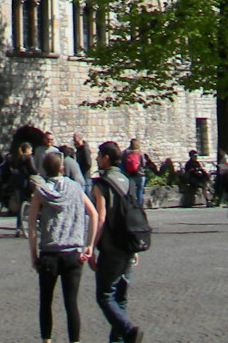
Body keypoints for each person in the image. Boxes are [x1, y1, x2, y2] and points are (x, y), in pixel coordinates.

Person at [23, 150, 99, 343]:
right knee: (71, 304)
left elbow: (31, 225)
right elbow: (94, 214)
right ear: (62, 169)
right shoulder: (75, 188)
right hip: (73, 252)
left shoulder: (41, 192)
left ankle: (46, 340)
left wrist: (33, 254)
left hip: (49, 252)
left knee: (46, 302)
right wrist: (89, 245)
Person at [89, 141, 144, 343]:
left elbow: (101, 218)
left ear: (106, 158)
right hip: (128, 245)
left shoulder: (101, 185)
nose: (96, 158)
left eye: (99, 155)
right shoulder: (127, 180)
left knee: (104, 296)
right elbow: (131, 213)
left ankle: (128, 330)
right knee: (120, 298)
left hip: (111, 247)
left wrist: (91, 247)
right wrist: (135, 247)